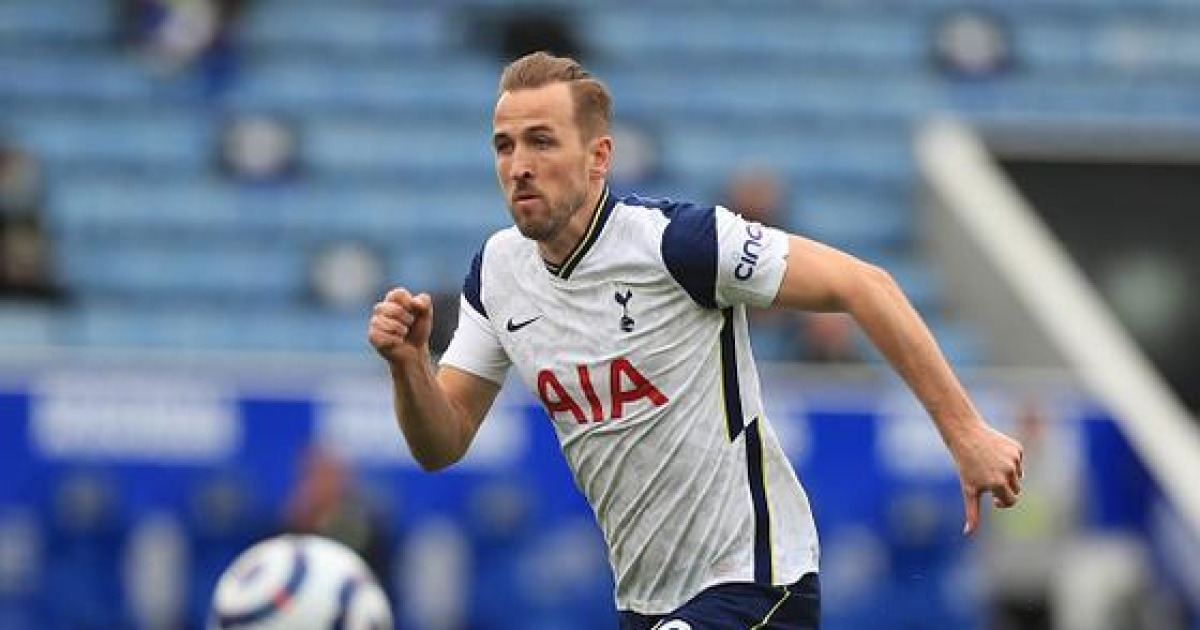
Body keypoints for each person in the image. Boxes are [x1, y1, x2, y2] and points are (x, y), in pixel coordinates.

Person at [367, 51, 1024, 629]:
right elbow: (442, 442)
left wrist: (965, 431)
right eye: (504, 146)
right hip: (646, 602)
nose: (519, 166)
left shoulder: (679, 244)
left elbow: (865, 285)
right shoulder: (497, 272)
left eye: (542, 142)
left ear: (599, 158)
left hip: (757, 581)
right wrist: (408, 365)